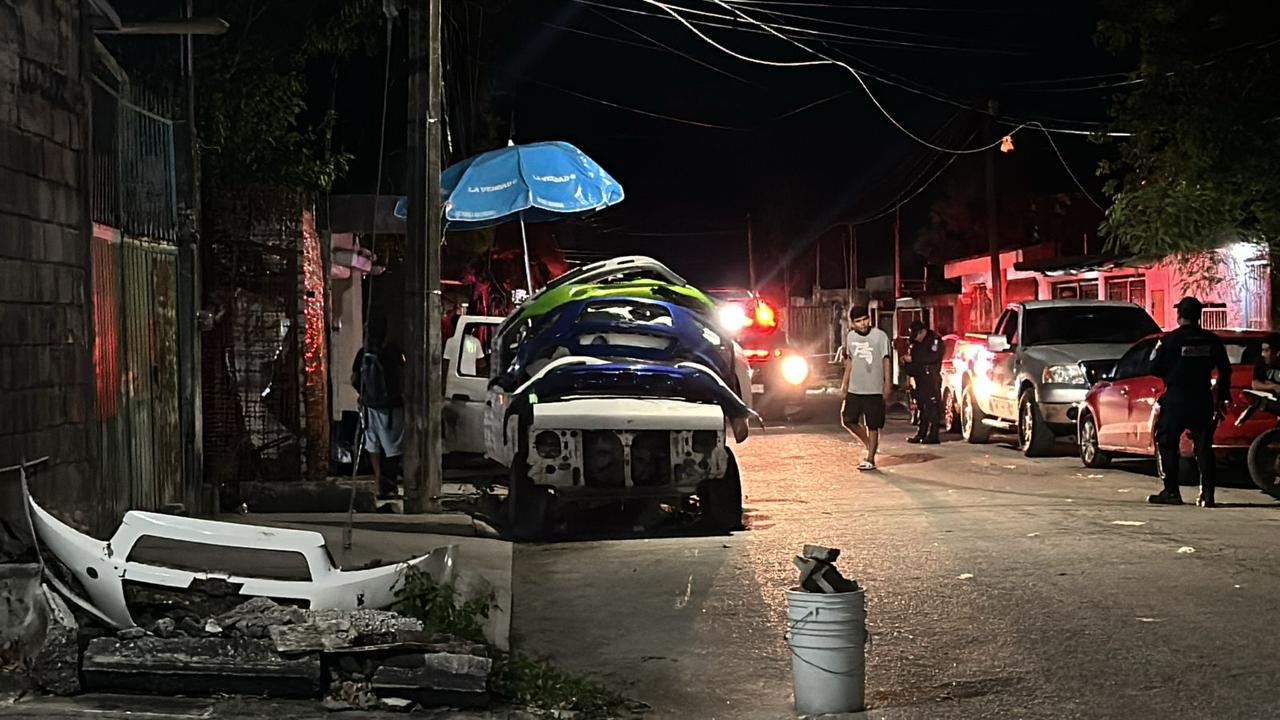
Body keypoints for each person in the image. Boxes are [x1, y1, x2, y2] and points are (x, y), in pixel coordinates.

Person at [1147, 297, 1232, 508]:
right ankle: (1207, 495)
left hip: (1176, 398)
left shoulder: (1169, 340)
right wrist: (1222, 396)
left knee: (1167, 442)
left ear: (1179, 315)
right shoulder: (1211, 340)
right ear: (1199, 316)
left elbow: (1153, 367)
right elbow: (1225, 368)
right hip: (1201, 399)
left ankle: (1171, 491)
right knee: (1204, 446)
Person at [351, 317, 406, 499]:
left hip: (369, 407)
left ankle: (378, 481)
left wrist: (363, 394)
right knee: (393, 448)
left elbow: (354, 379)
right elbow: (403, 375)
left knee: (372, 444)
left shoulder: (362, 353)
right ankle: (389, 486)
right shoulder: (392, 352)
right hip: (391, 408)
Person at [840, 306, 893, 471]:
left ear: (869, 319)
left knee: (873, 424)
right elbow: (850, 361)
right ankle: (870, 444)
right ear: (853, 323)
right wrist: (845, 382)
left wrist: (888, 384)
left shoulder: (880, 336)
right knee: (848, 419)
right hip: (855, 387)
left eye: (865, 319)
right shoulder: (850, 337)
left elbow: (886, 361)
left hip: (874, 388)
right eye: (858, 321)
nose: (863, 324)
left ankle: (870, 458)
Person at [903, 319, 944, 444]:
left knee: (932, 407)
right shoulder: (916, 343)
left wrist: (913, 358)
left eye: (917, 335)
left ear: (923, 331)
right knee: (922, 407)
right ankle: (921, 433)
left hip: (930, 378)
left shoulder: (935, 341)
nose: (916, 338)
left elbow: (932, 357)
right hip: (919, 378)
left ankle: (933, 435)